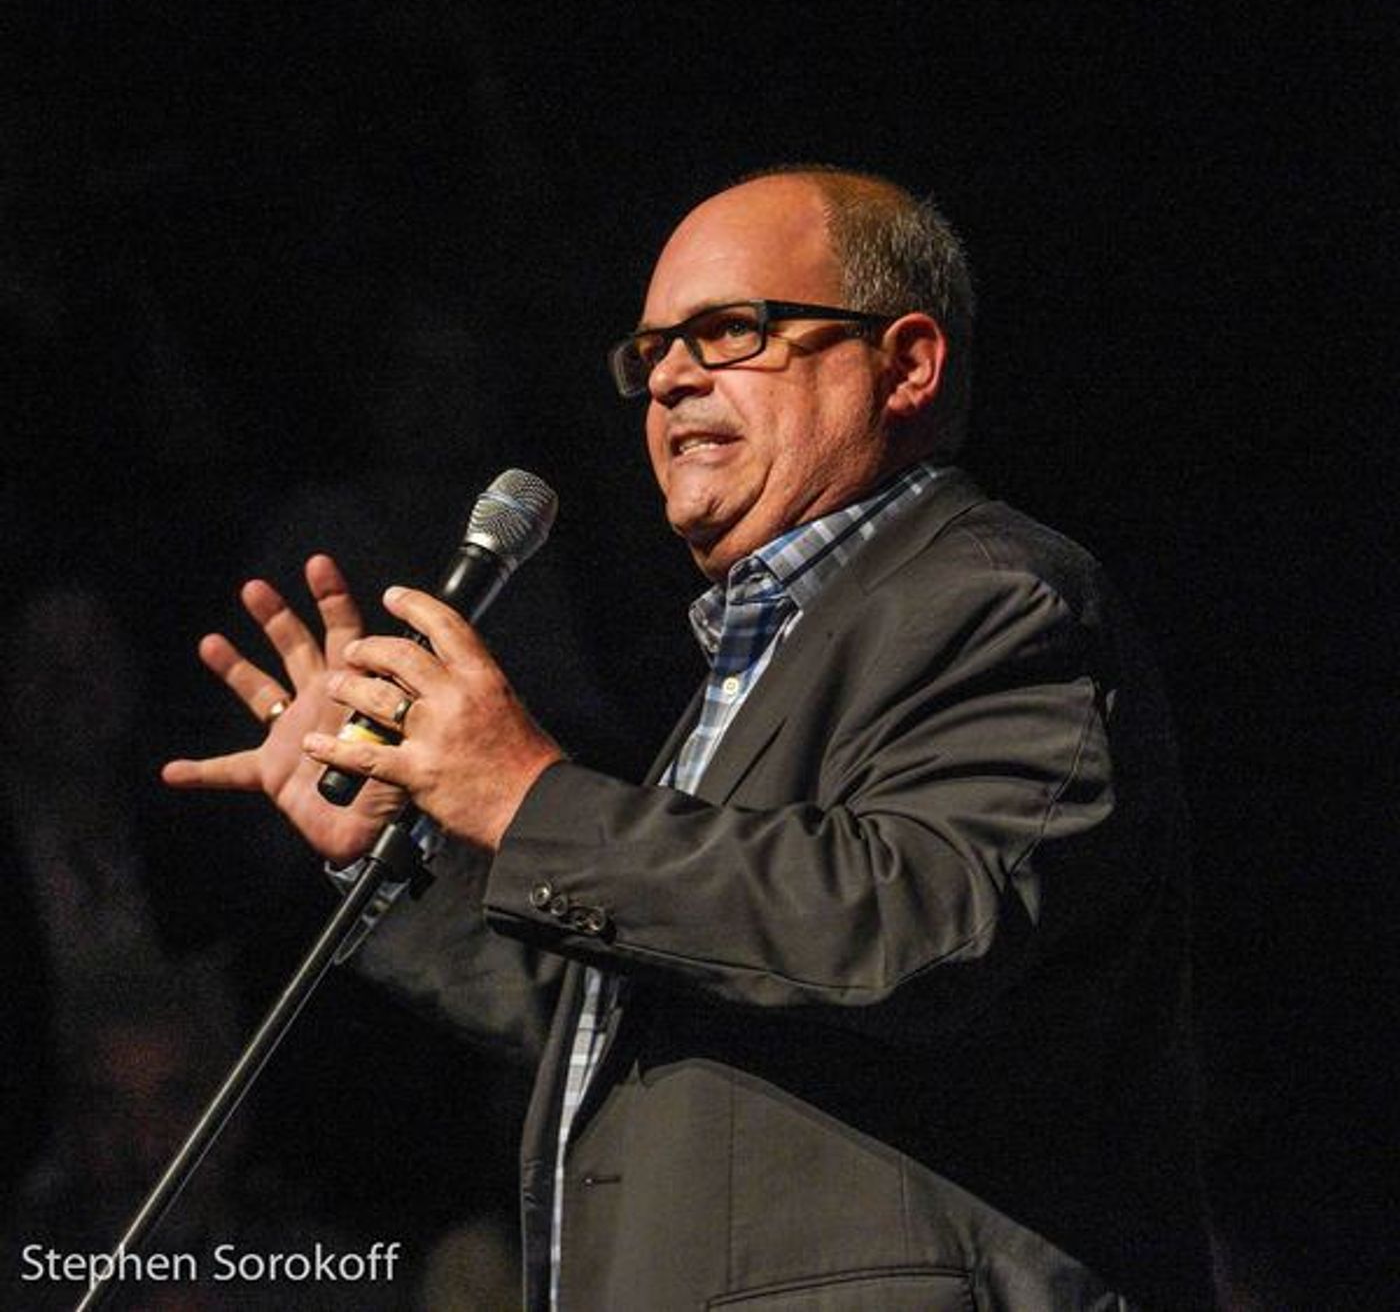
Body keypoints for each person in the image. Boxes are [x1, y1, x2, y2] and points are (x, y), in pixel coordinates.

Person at [164, 167, 1214, 1309]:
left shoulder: (992, 597)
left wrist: (528, 796)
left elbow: (919, 919)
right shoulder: (767, 653)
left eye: (729, 331)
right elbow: (631, 1003)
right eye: (653, 350)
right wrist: (387, 848)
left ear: (906, 363)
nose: (667, 376)